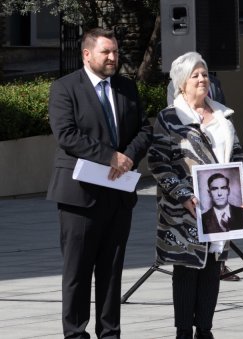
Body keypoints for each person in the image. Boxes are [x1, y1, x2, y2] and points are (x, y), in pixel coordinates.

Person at [47, 27, 152, 339]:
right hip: (80, 196)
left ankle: (110, 333)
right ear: (87, 54)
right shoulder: (65, 88)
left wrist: (129, 157)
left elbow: (145, 129)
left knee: (111, 271)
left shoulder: (126, 88)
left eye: (115, 52)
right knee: (77, 271)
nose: (112, 57)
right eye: (106, 52)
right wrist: (110, 156)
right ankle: (76, 333)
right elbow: (66, 134)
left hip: (118, 196)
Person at [149, 51, 243, 339]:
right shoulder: (170, 118)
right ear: (182, 83)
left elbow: (238, 157)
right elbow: (158, 162)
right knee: (187, 269)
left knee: (213, 268)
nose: (201, 79)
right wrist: (183, 194)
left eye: (205, 74)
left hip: (221, 205)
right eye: (195, 75)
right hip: (184, 210)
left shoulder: (222, 116)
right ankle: (184, 331)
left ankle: (205, 329)